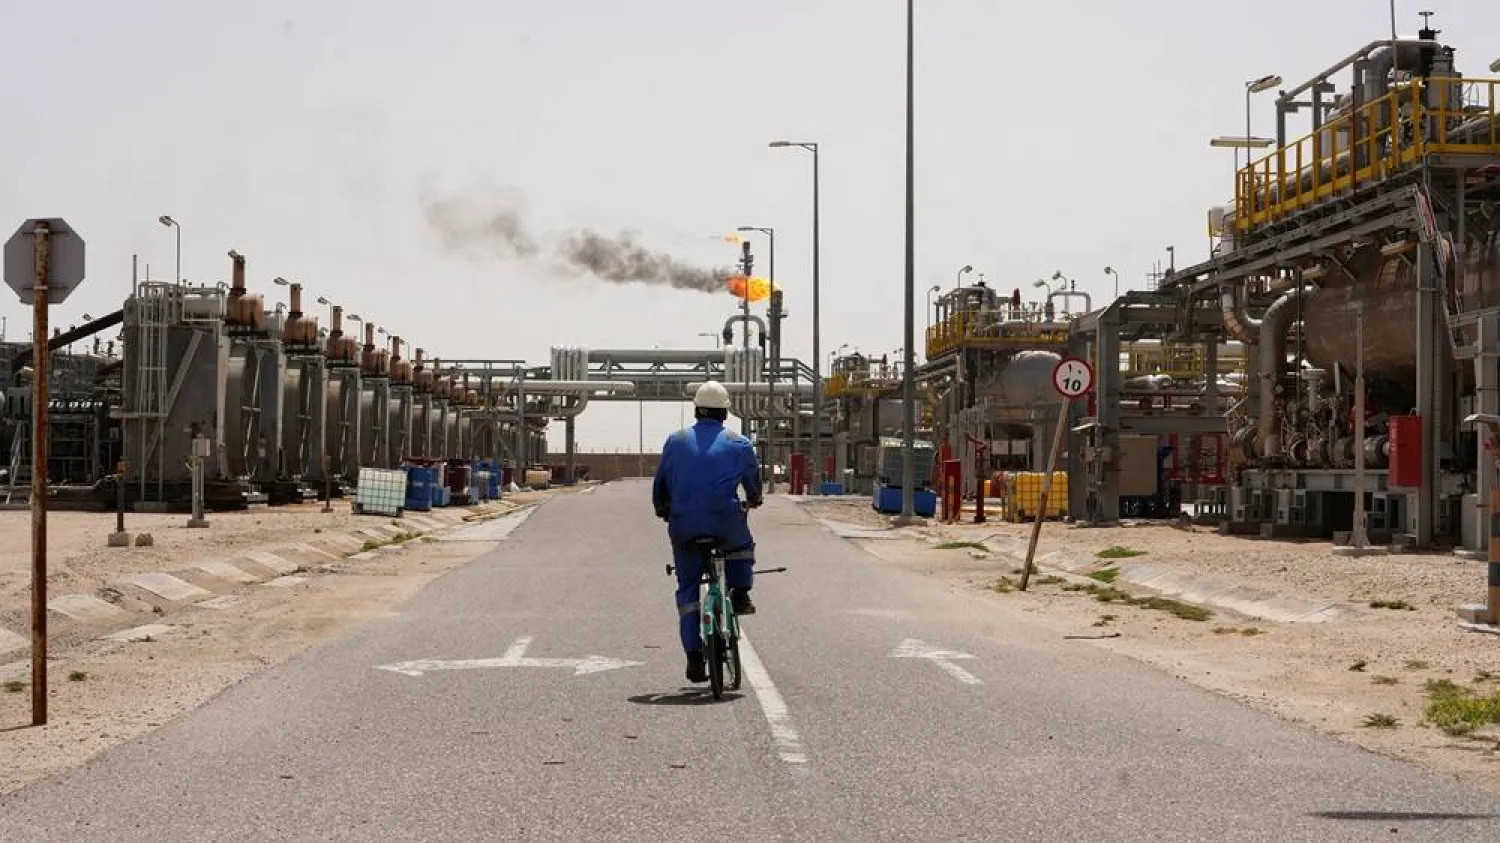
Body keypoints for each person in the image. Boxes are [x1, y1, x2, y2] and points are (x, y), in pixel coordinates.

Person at [652, 381, 763, 683]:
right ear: (726, 413)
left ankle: (694, 659)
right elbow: (753, 482)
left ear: (696, 409)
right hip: (724, 520)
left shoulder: (675, 441)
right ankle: (740, 593)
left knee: (688, 590)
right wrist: (753, 498)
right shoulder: (740, 444)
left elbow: (661, 483)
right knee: (741, 547)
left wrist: (663, 509)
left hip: (684, 524)